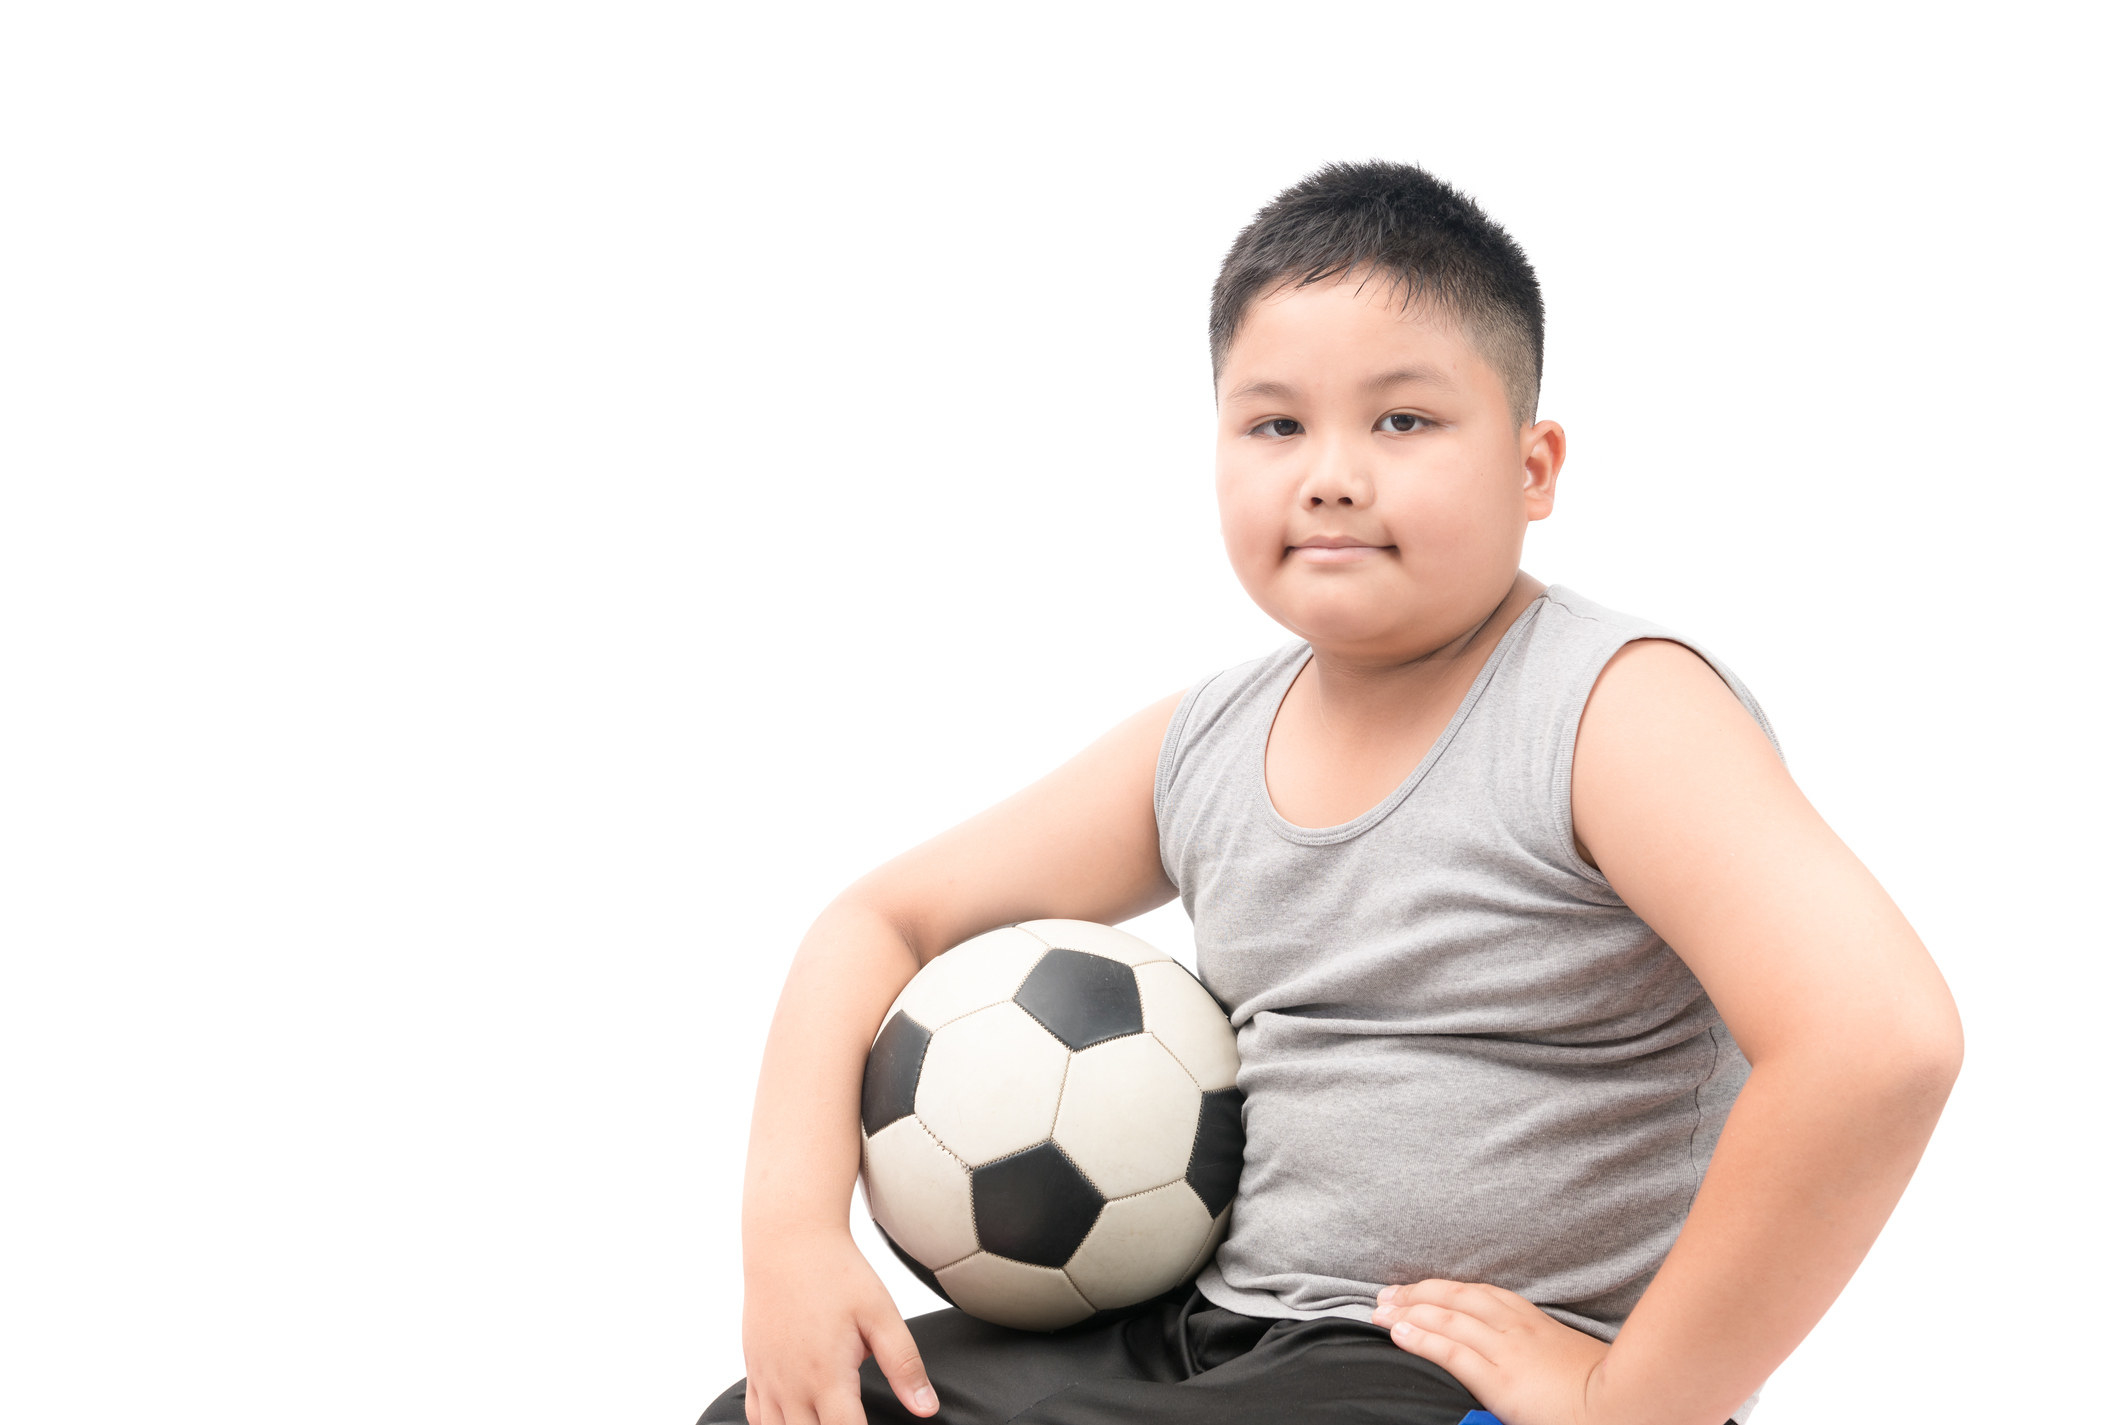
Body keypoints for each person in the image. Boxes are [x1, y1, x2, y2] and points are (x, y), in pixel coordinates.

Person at [700, 162, 1962, 1425]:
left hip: (1434, 1366)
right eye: (1275, 425)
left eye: (1403, 422)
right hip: (1227, 1336)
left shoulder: (1610, 711)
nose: (1332, 474)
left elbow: (1878, 1042)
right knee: (792, 1411)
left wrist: (1635, 1400)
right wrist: (791, 1232)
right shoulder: (1205, 741)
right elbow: (883, 922)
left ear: (1533, 469)